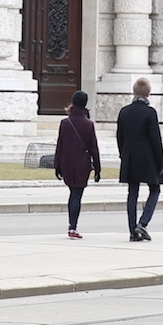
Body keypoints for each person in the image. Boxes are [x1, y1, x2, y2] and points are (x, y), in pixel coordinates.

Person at [116, 76, 163, 242]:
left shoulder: (124, 112)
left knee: (132, 193)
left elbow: (120, 137)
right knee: (155, 189)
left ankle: (132, 231)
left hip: (130, 157)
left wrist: (123, 154)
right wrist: (161, 160)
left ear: (133, 92)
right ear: (149, 94)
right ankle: (143, 223)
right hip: (148, 158)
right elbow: (155, 139)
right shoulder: (150, 113)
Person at [53, 89, 101, 238]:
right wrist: (98, 169)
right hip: (82, 164)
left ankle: (71, 224)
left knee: (72, 194)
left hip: (67, 163)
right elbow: (94, 148)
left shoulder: (65, 123)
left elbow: (59, 145)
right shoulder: (88, 124)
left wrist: (57, 165)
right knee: (77, 195)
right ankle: (73, 227)